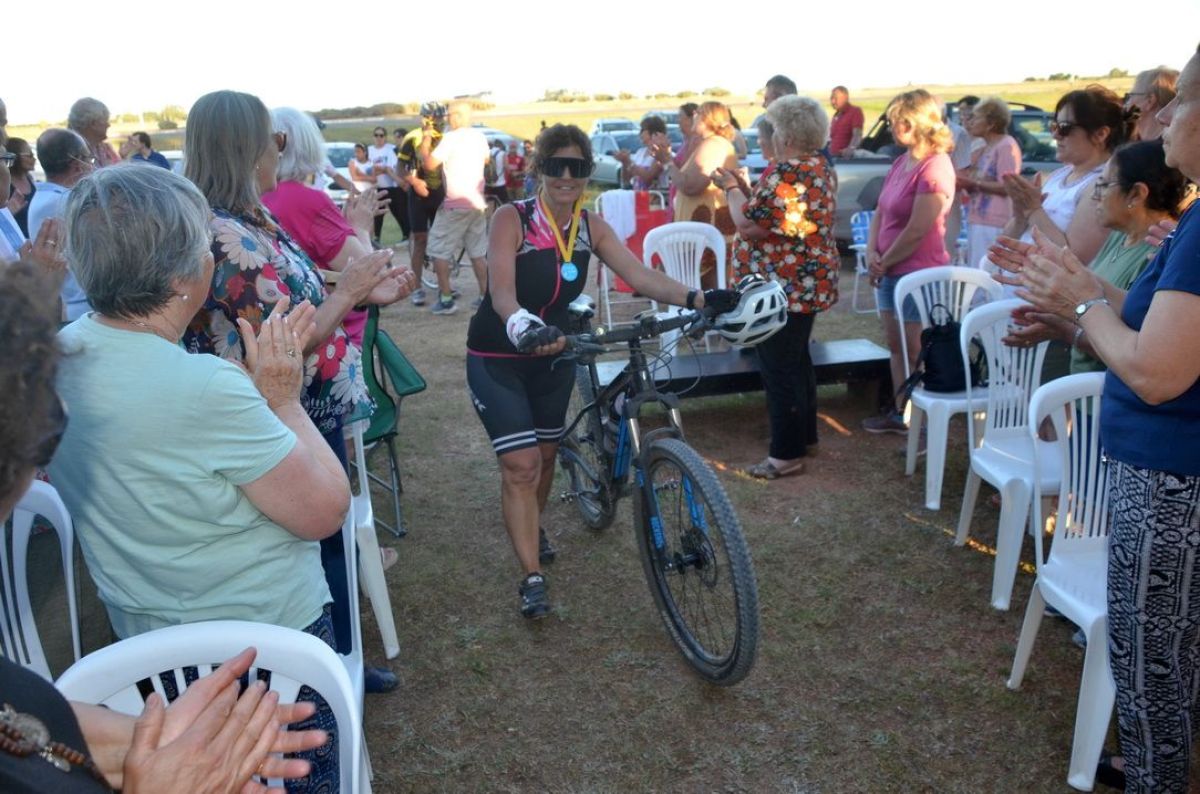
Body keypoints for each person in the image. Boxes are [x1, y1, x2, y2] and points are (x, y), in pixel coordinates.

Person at [44, 165, 354, 787]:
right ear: (190, 273)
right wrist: (283, 400)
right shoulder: (203, 385)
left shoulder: (53, 356)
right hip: (262, 651)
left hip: (143, 648)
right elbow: (324, 511)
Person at [991, 46, 1200, 792]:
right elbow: (1149, 332)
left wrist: (1077, 303)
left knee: (1152, 672)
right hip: (1173, 473)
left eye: (1180, 103)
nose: (1165, 115)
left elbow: (1154, 370)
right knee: (1166, 666)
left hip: (1175, 481)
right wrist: (1074, 297)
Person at [181, 90, 406, 695]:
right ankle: (328, 676)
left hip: (304, 405)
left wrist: (358, 285)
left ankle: (339, 664)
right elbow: (281, 342)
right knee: (315, 540)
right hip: (282, 410)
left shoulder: (249, 215)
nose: (278, 152)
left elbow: (296, 286)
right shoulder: (222, 234)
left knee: (322, 542)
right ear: (245, 148)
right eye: (273, 141)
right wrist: (349, 293)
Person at [466, 123, 739, 619]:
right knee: (521, 465)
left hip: (556, 354)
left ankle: (534, 524)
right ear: (540, 169)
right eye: (556, 166)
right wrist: (521, 323)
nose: (567, 177)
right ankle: (531, 575)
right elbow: (501, 291)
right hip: (500, 356)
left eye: (577, 168)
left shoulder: (591, 227)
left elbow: (637, 275)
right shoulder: (514, 218)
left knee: (546, 459)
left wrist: (698, 296)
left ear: (589, 173)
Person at [715, 96, 838, 479]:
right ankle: (805, 438)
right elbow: (777, 218)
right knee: (797, 363)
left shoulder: (788, 174)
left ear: (784, 136)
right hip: (805, 285)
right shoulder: (817, 167)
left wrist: (731, 191)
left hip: (784, 289)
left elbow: (749, 226)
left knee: (779, 369)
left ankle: (785, 455)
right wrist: (745, 190)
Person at [999, 140, 1186, 372]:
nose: (1096, 196)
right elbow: (1098, 305)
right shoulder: (1121, 237)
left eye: (1104, 185)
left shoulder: (1160, 253)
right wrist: (1056, 316)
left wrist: (1067, 331)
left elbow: (1142, 349)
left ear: (1136, 195)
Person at [262, 106, 416, 350]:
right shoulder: (307, 201)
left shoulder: (259, 198)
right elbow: (373, 278)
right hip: (331, 339)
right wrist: (361, 228)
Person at [860, 89, 957, 435]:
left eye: (902, 120)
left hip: (918, 274)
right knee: (896, 345)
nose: (895, 126)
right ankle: (902, 413)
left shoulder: (935, 166)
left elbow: (920, 229)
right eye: (893, 120)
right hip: (890, 271)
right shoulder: (903, 161)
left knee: (917, 348)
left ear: (920, 121)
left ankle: (924, 417)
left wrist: (882, 262)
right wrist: (873, 253)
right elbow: (881, 212)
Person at [999, 85, 1130, 276]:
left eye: (1065, 128)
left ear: (1101, 134)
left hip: (1049, 300)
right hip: (1019, 291)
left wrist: (1034, 210)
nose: (1055, 135)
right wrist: (1021, 215)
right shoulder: (1059, 175)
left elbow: (1075, 258)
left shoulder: (1101, 185)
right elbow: (1005, 241)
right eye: (1054, 126)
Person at [653, 100, 740, 288]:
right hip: (702, 232)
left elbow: (691, 185)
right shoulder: (709, 143)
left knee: (706, 293)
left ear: (707, 119)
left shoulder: (714, 145)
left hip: (706, 232)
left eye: (698, 113)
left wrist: (667, 161)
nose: (694, 116)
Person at [420, 100, 490, 315]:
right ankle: (485, 297)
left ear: (459, 116)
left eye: (450, 114)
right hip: (477, 203)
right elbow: (486, 161)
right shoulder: (479, 137)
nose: (447, 118)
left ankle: (447, 299)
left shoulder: (451, 138)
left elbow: (429, 164)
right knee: (478, 253)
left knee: (439, 251)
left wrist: (426, 139)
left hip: (455, 203)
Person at [28, 129, 94, 320]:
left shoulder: (42, 197)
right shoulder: (68, 202)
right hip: (81, 308)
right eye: (89, 160)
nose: (92, 166)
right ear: (77, 165)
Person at [956, 96, 1022, 267]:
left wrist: (974, 184)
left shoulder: (1006, 146)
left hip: (994, 222)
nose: (970, 122)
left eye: (976, 117)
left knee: (986, 274)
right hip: (978, 219)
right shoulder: (985, 147)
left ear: (991, 123)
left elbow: (1007, 186)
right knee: (976, 272)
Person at [398, 102, 448, 305]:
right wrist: (413, 181)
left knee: (441, 243)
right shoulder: (412, 137)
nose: (438, 121)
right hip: (418, 196)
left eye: (440, 117)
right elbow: (400, 167)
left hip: (441, 194)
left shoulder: (447, 138)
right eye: (434, 117)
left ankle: (445, 286)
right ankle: (417, 287)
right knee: (420, 241)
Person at [366, 125, 403, 246]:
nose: (378, 138)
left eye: (381, 135)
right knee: (378, 212)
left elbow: (391, 167)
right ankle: (376, 237)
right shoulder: (369, 150)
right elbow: (367, 169)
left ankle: (406, 233)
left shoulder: (390, 149)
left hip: (391, 186)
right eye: (376, 135)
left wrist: (380, 169)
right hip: (376, 185)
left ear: (385, 137)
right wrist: (382, 169)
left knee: (397, 211)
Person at [613, 115, 670, 190]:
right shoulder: (640, 152)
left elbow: (648, 177)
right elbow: (626, 180)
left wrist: (629, 161)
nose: (639, 134)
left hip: (655, 198)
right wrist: (624, 163)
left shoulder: (661, 153)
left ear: (653, 132)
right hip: (638, 197)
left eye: (642, 130)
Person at [1125, 65, 1178, 141]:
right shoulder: (1175, 143)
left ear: (1150, 100)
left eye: (1130, 96)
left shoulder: (1142, 151)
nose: (1126, 103)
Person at [66, 98, 119, 168]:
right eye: (106, 120)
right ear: (93, 123)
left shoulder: (106, 149)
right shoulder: (71, 154)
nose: (108, 125)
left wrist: (125, 157)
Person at [5, 137, 36, 236]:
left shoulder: (30, 179)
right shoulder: (5, 186)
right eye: (29, 155)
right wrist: (8, 212)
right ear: (16, 157)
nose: (34, 159)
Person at [829, 86, 865, 158]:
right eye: (831, 98)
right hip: (834, 158)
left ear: (845, 98)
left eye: (836, 98)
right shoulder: (836, 115)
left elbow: (857, 135)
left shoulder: (855, 111)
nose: (833, 102)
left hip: (845, 160)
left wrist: (850, 149)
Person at [485, 138, 509, 205]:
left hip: (488, 183)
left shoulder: (487, 152)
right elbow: (506, 167)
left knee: (490, 204)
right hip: (500, 183)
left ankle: (490, 215)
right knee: (504, 204)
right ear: (501, 146)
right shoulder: (503, 153)